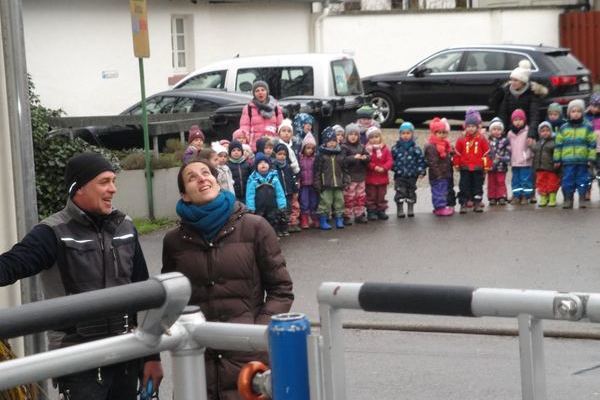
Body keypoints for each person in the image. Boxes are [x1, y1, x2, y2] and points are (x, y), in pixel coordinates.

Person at [0, 152, 163, 400]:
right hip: (79, 364)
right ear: (78, 189)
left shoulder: (125, 226)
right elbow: (10, 266)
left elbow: (143, 292)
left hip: (127, 355)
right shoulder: (52, 231)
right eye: (104, 182)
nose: (113, 189)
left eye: (114, 181)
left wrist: (152, 357)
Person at [162, 159, 293, 400]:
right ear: (185, 195)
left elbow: (281, 289)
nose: (202, 178)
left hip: (247, 353)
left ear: (216, 181)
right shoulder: (173, 241)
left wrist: (257, 333)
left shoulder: (255, 227)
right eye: (192, 177)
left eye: (206, 173)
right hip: (198, 357)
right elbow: (171, 298)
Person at [554, 99, 596, 209]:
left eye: (578, 111)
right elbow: (558, 145)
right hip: (568, 161)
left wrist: (591, 158)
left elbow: (592, 144)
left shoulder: (587, 127)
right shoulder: (564, 128)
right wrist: (557, 159)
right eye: (573, 111)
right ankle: (568, 199)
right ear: (569, 113)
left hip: (582, 160)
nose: (576, 113)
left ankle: (582, 198)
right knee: (568, 180)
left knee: (582, 180)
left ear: (582, 113)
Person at [497, 59, 548, 140]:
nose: (512, 82)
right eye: (512, 79)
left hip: (526, 131)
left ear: (522, 82)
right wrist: (502, 131)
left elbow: (534, 116)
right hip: (511, 131)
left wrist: (531, 135)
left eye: (516, 80)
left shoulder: (532, 93)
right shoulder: (507, 92)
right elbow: (503, 114)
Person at [453, 109, 491, 213]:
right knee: (464, 186)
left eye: (473, 126)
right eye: (468, 126)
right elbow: (457, 153)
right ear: (465, 127)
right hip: (465, 167)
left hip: (478, 167)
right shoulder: (461, 139)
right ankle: (463, 203)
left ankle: (477, 203)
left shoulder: (482, 139)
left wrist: (486, 166)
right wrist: (456, 164)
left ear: (477, 127)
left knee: (477, 186)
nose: (471, 129)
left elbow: (486, 154)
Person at [314, 127, 348, 230]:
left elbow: (345, 168)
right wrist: (318, 183)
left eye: (334, 141)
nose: (332, 144)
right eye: (329, 141)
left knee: (339, 201)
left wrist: (346, 179)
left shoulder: (340, 153)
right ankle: (323, 220)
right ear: (325, 142)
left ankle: (339, 219)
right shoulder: (321, 155)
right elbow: (317, 171)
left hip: (338, 183)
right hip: (326, 184)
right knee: (325, 202)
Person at [245, 152, 288, 235]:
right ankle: (260, 237)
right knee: (259, 222)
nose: (263, 164)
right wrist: (250, 207)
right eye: (260, 163)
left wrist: (282, 205)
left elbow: (280, 193)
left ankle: (272, 235)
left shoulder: (274, 178)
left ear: (269, 165)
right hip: (259, 207)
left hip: (272, 206)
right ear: (256, 166)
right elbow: (250, 195)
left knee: (273, 221)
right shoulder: (253, 179)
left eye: (265, 162)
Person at [392, 122, 426, 218]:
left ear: (412, 134)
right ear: (400, 134)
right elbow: (391, 160)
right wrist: (394, 167)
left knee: (411, 191)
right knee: (400, 191)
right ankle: (400, 208)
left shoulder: (416, 148)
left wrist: (421, 171)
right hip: (400, 175)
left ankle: (410, 208)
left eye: (408, 133)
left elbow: (421, 161)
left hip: (412, 175)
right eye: (403, 133)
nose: (405, 135)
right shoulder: (396, 148)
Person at [239, 81, 283, 152]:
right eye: (257, 91)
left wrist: (276, 139)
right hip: (255, 147)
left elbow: (281, 127)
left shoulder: (276, 108)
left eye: (263, 90)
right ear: (254, 94)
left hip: (272, 146)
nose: (260, 92)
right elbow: (244, 128)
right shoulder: (248, 108)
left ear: (267, 92)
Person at [424, 117, 454, 216]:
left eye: (444, 132)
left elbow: (447, 158)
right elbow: (433, 162)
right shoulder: (431, 146)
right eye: (439, 133)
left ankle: (440, 206)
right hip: (438, 174)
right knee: (438, 191)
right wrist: (438, 174)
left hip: (444, 173)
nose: (442, 135)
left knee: (443, 191)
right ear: (434, 133)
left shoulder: (445, 144)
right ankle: (440, 208)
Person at [341, 123, 370, 224]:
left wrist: (365, 158)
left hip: (360, 177)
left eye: (355, 134)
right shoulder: (344, 147)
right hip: (350, 177)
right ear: (347, 136)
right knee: (349, 197)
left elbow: (368, 156)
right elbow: (342, 160)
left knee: (360, 196)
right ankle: (347, 215)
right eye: (351, 134)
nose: (353, 136)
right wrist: (353, 158)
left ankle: (359, 214)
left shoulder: (361, 146)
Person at [365, 126, 393, 220]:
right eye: (371, 137)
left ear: (380, 137)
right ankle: (371, 211)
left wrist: (384, 168)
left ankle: (381, 210)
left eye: (376, 137)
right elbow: (366, 162)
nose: (374, 139)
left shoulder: (385, 149)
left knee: (381, 195)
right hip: (371, 177)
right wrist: (374, 167)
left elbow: (390, 160)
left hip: (382, 177)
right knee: (371, 195)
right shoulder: (367, 150)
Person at [507, 109, 534, 205]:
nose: (518, 122)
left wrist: (528, 155)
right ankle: (516, 195)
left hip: (525, 161)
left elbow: (531, 146)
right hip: (515, 162)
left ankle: (526, 196)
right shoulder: (510, 134)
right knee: (515, 180)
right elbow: (508, 146)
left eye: (520, 119)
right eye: (515, 120)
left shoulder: (527, 132)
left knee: (526, 180)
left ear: (524, 120)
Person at [530, 121, 560, 207]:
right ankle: (543, 197)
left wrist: (557, 161)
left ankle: (552, 197)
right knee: (541, 183)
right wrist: (531, 145)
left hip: (551, 168)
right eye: (543, 131)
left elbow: (557, 153)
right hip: (540, 168)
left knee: (552, 182)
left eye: (547, 130)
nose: (545, 132)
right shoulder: (538, 143)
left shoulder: (553, 142)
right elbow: (534, 150)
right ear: (540, 133)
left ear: (551, 131)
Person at [273, 143, 300, 235]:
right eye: (279, 154)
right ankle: (278, 229)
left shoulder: (288, 167)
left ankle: (285, 228)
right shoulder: (273, 167)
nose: (282, 156)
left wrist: (295, 190)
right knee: (278, 211)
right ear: (275, 154)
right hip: (278, 194)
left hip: (288, 192)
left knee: (287, 210)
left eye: (284, 154)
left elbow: (293, 179)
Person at [486, 117, 511, 206]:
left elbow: (508, 153)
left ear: (502, 130)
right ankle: (492, 197)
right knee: (491, 182)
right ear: (490, 130)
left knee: (500, 181)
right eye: (494, 129)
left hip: (501, 166)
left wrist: (503, 158)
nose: (496, 131)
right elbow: (485, 153)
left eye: (499, 129)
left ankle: (502, 196)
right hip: (490, 166)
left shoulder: (505, 141)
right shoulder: (488, 141)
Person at [298, 133, 319, 229]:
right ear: (303, 148)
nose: (310, 150)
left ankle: (314, 218)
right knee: (304, 201)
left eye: (312, 148)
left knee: (313, 201)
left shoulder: (315, 158)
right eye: (308, 148)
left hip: (313, 184)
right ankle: (304, 219)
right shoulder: (300, 158)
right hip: (303, 185)